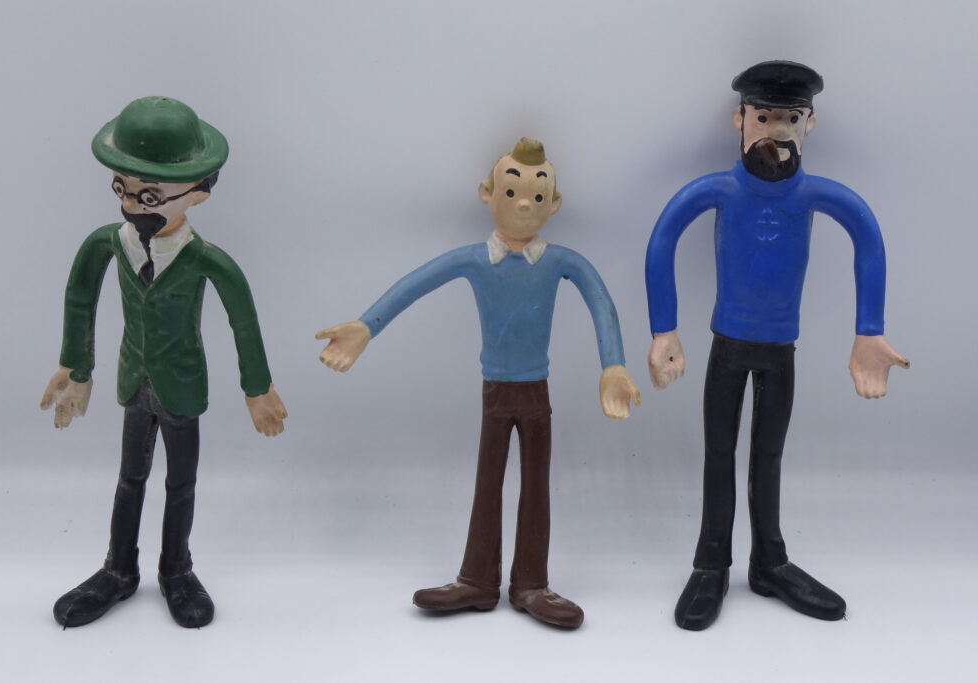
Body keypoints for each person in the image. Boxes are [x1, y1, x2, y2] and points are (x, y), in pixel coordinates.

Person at [317, 138, 640, 629]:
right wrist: (367, 326)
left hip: (535, 391)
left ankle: (531, 582)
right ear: (487, 194)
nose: (524, 204)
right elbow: (415, 284)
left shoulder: (560, 261)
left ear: (554, 203)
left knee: (536, 485)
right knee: (487, 481)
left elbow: (601, 300)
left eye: (537, 194)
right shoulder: (475, 259)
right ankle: (478, 579)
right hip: (496, 390)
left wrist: (613, 364)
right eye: (511, 192)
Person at [644, 61, 909, 630]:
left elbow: (867, 234)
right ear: (739, 120)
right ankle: (711, 564)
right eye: (764, 117)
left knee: (768, 456)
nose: (776, 130)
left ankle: (770, 562)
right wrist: (664, 328)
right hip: (727, 346)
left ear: (809, 124)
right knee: (719, 453)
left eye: (789, 118)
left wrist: (869, 330)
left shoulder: (814, 194)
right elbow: (663, 237)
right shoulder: (720, 190)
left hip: (780, 350)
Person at [41, 96, 287, 628]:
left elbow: (242, 318)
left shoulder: (206, 260)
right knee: (129, 477)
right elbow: (80, 296)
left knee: (181, 483)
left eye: (149, 194)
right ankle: (118, 568)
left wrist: (257, 387)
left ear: (197, 193)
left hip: (181, 385)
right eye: (122, 188)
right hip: (134, 381)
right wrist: (76, 369)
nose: (132, 205)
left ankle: (176, 569)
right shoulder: (108, 244)